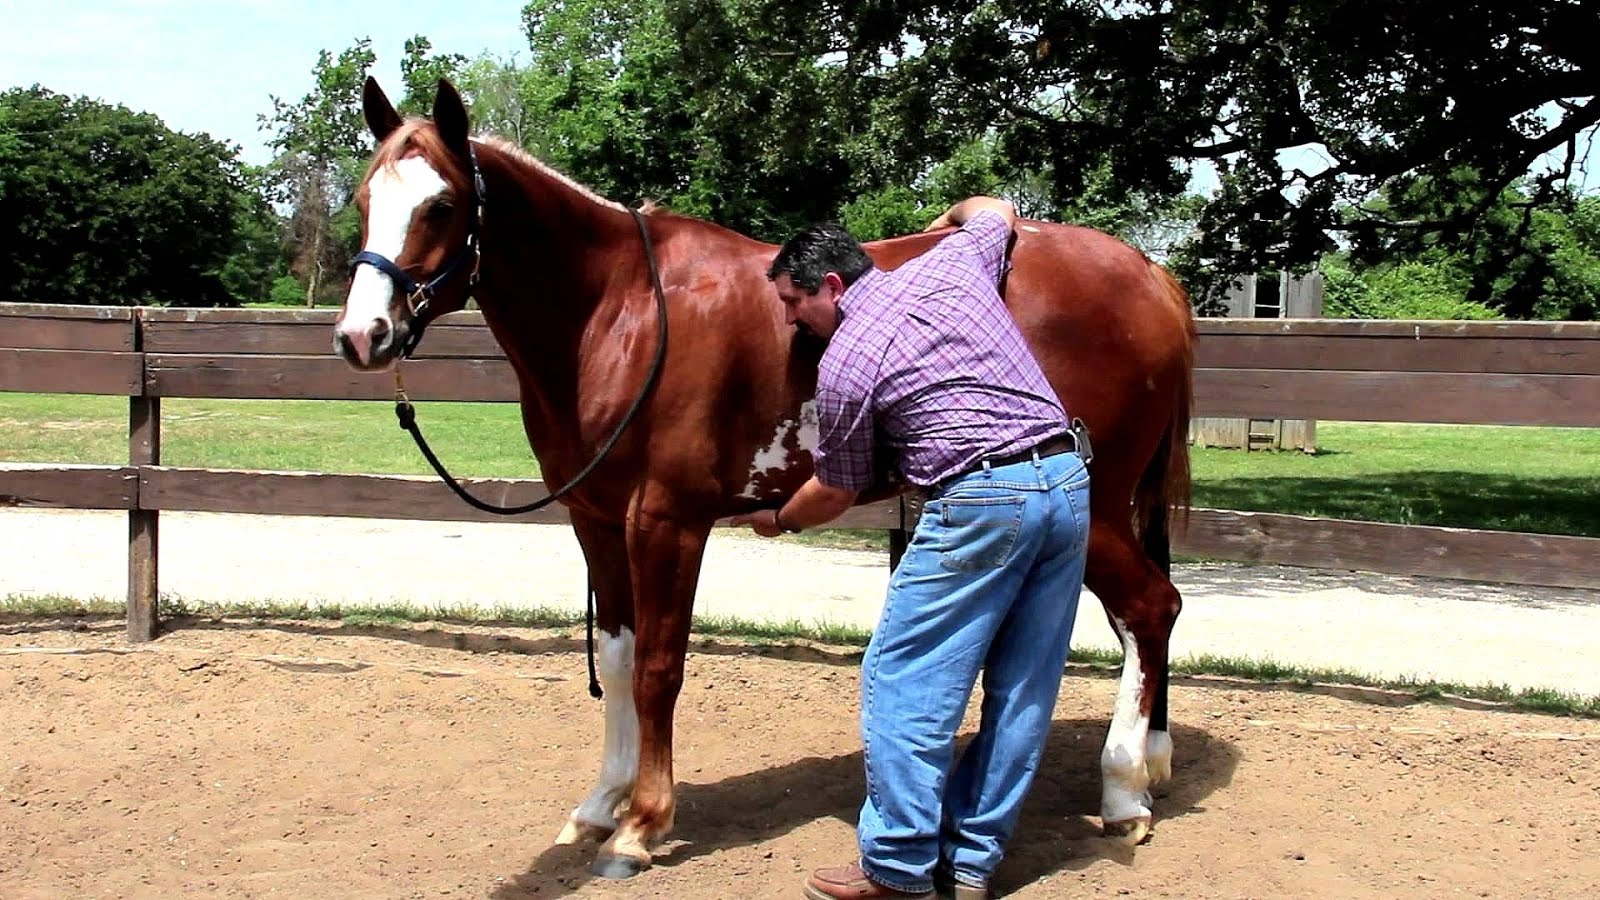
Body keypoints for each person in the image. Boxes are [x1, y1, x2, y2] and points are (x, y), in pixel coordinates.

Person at [730, 197, 1092, 900]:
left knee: (906, 682)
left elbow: (835, 490)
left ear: (832, 285)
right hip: (1068, 483)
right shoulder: (954, 263)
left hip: (981, 501)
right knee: (1023, 688)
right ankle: (971, 861)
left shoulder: (848, 362)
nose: (790, 319)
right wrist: (947, 215)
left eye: (794, 301)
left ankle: (897, 869)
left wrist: (777, 519)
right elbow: (997, 210)